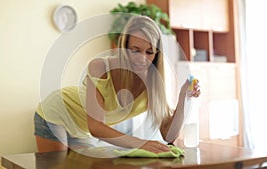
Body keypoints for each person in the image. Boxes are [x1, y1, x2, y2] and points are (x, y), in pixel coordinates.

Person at [34, 15, 200, 153]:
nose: (142, 58)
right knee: (57, 166)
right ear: (124, 48)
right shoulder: (100, 67)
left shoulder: (155, 83)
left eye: (149, 52)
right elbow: (96, 127)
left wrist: (184, 97)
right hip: (58, 112)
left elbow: (169, 136)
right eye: (135, 50)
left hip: (82, 129)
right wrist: (140, 143)